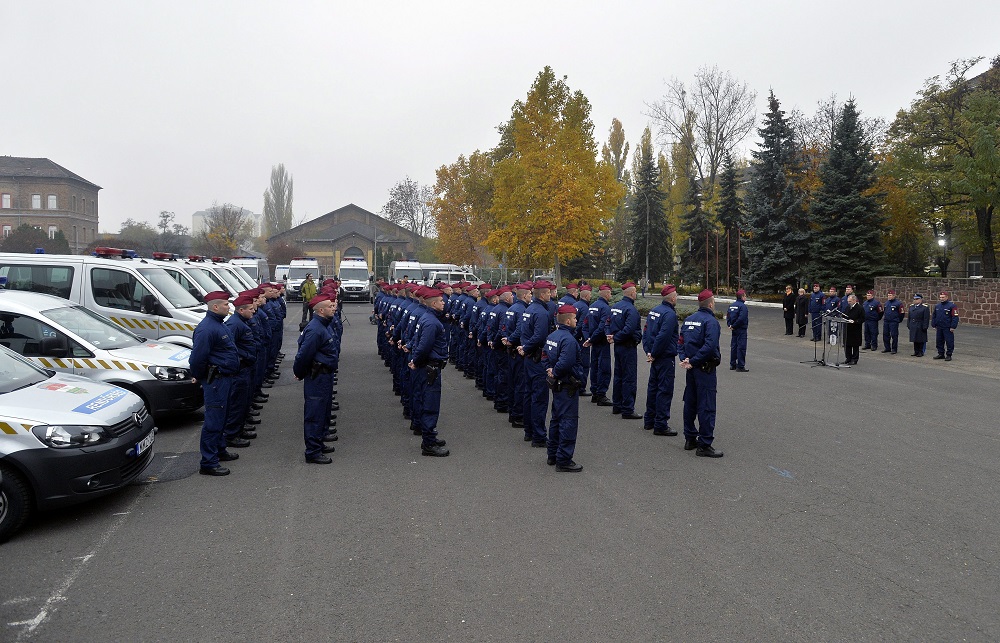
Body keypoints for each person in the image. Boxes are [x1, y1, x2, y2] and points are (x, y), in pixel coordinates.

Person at [189, 291, 241, 476]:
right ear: (215, 307)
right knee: (214, 421)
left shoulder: (219, 324)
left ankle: (219, 449)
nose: (229, 307)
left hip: (224, 378)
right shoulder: (207, 328)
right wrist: (199, 375)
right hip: (216, 380)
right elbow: (197, 358)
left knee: (222, 417)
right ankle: (208, 462)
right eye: (226, 304)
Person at [292, 295, 339, 464]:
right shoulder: (315, 329)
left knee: (323, 411)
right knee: (315, 413)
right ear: (320, 310)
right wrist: (299, 372)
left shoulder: (323, 325)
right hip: (317, 376)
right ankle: (312, 451)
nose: (333, 309)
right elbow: (303, 355)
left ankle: (318, 443)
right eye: (329, 307)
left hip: (324, 375)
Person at [679, 290, 723, 458]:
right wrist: (694, 361)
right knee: (706, 406)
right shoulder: (711, 322)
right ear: (710, 304)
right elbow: (710, 346)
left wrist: (685, 359)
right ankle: (704, 444)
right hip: (704, 369)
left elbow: (680, 342)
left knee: (690, 403)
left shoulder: (689, 319)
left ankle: (690, 438)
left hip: (692, 369)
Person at [409, 287, 450, 456]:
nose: (443, 303)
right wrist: (416, 361)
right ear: (433, 304)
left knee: (427, 402)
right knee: (430, 405)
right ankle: (429, 444)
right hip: (429, 368)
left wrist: (416, 361)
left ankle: (430, 436)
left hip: (426, 366)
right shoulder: (432, 322)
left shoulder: (428, 318)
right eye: (440, 301)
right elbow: (424, 347)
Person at [544, 304, 585, 472]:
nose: (576, 321)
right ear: (568, 321)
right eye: (574, 318)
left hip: (558, 386)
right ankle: (564, 460)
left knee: (556, 420)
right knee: (568, 422)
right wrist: (555, 372)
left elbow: (545, 355)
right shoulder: (569, 340)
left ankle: (552, 454)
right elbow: (566, 362)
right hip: (567, 386)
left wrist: (549, 369)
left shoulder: (552, 336)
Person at [518, 281, 554, 446]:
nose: (550, 295)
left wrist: (524, 347)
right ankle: (538, 436)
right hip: (537, 359)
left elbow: (524, 332)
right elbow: (540, 336)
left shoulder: (529, 309)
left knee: (529, 395)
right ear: (542, 294)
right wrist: (526, 347)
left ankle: (529, 431)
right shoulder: (541, 312)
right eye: (548, 292)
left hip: (529, 357)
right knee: (539, 398)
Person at [642, 284, 679, 436]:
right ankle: (661, 425)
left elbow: (646, 332)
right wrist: (654, 353)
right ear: (672, 298)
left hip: (656, 356)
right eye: (676, 296)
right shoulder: (669, 314)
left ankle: (649, 420)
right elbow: (663, 336)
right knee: (664, 390)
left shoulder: (654, 311)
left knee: (653, 388)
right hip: (664, 357)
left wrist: (649, 351)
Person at [223, 293, 258, 448]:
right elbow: (230, 347)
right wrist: (243, 358)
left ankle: (239, 429)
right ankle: (231, 435)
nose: (253, 310)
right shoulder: (234, 324)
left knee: (243, 402)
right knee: (237, 404)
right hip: (240, 370)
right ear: (241, 310)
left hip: (246, 368)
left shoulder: (241, 322)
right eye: (250, 308)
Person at [607, 282, 643, 419]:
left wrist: (611, 336)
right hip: (627, 346)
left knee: (619, 376)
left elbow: (608, 323)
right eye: (635, 292)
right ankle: (627, 409)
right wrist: (616, 338)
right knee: (629, 378)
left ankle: (617, 405)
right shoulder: (631, 309)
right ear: (632, 293)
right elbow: (629, 329)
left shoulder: (615, 306)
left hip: (619, 346)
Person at [585, 284, 613, 405]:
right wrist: (593, 339)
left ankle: (595, 393)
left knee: (594, 367)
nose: (611, 295)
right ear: (606, 294)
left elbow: (585, 324)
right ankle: (601, 395)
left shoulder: (592, 306)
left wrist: (589, 338)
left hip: (594, 341)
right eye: (610, 293)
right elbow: (603, 327)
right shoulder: (605, 308)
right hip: (601, 341)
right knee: (604, 368)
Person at [931, 291, 959, 361]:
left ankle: (949, 355)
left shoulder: (952, 306)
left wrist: (953, 326)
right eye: (940, 297)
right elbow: (934, 316)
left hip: (947, 327)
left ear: (947, 297)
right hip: (939, 327)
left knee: (949, 341)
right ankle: (941, 354)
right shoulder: (937, 306)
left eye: (943, 297)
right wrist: (933, 324)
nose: (941, 299)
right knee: (939, 341)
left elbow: (955, 317)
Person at [726, 289, 749, 372]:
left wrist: (730, 325)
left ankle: (732, 364)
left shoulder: (731, 305)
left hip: (734, 329)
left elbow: (728, 316)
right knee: (741, 347)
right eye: (745, 296)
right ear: (742, 297)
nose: (746, 297)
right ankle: (740, 366)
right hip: (741, 329)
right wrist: (734, 325)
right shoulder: (743, 307)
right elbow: (741, 318)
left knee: (734, 346)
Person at [882, 290, 906, 354]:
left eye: (890, 295)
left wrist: (898, 320)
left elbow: (902, 313)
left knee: (894, 335)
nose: (889, 296)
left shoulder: (898, 303)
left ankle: (894, 349)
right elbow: (884, 311)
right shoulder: (886, 303)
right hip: (886, 321)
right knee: (885, 335)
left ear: (894, 296)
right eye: (888, 295)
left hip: (894, 322)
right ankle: (887, 348)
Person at [843, 294, 864, 365]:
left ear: (854, 300)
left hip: (855, 329)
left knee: (855, 345)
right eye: (848, 301)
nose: (848, 303)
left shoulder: (859, 308)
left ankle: (855, 359)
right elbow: (844, 315)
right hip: (848, 328)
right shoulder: (847, 307)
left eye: (850, 301)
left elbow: (862, 318)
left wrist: (855, 321)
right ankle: (848, 358)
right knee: (847, 344)